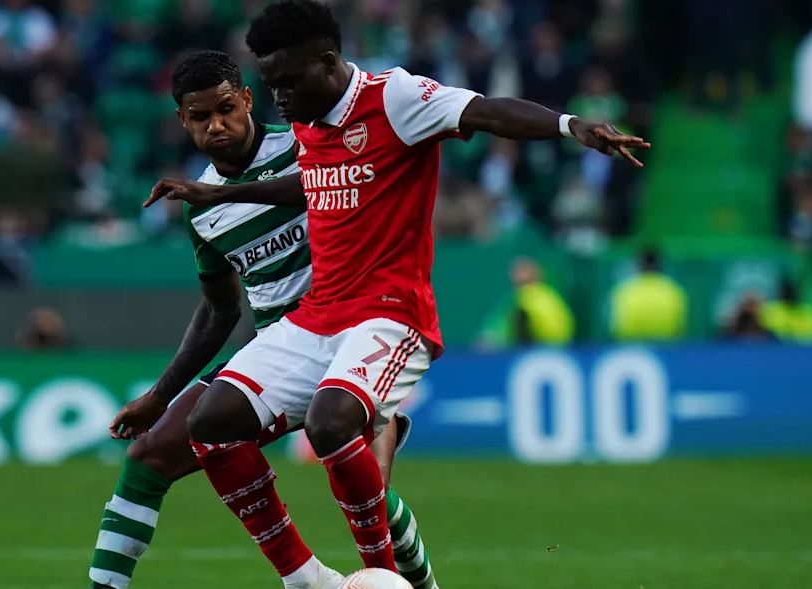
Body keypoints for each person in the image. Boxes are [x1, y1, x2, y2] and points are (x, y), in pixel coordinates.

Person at [146, 2, 648, 587]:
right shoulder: (309, 118)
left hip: (391, 315)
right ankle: (305, 579)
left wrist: (569, 126)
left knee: (330, 422)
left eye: (287, 82)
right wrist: (223, 195)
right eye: (271, 84)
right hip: (318, 316)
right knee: (211, 421)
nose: (278, 98)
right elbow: (312, 182)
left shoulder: (396, 99)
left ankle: (381, 577)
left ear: (326, 63)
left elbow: (486, 112)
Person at [89, 50, 440, 589]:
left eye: (226, 109)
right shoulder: (201, 207)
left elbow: (344, 179)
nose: (216, 125)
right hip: (277, 350)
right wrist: (159, 396)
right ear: (181, 120)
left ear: (248, 100)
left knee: (371, 495)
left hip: (356, 331)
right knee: (149, 456)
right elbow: (220, 310)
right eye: (200, 117)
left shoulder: (304, 144)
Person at [609, 247, 688, 342]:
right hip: (665, 345)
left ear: (637, 266)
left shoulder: (624, 290)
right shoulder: (673, 290)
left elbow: (615, 328)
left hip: (631, 346)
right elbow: (679, 329)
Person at [510, 257, 575, 346]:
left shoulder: (524, 299)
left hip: (540, 348)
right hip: (564, 347)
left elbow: (516, 334)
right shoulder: (550, 294)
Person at [759, 278, 812, 343]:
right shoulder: (771, 309)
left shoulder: (805, 310)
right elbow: (766, 332)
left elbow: (808, 335)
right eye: (786, 291)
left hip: (799, 346)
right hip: (774, 345)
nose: (789, 294)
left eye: (791, 291)